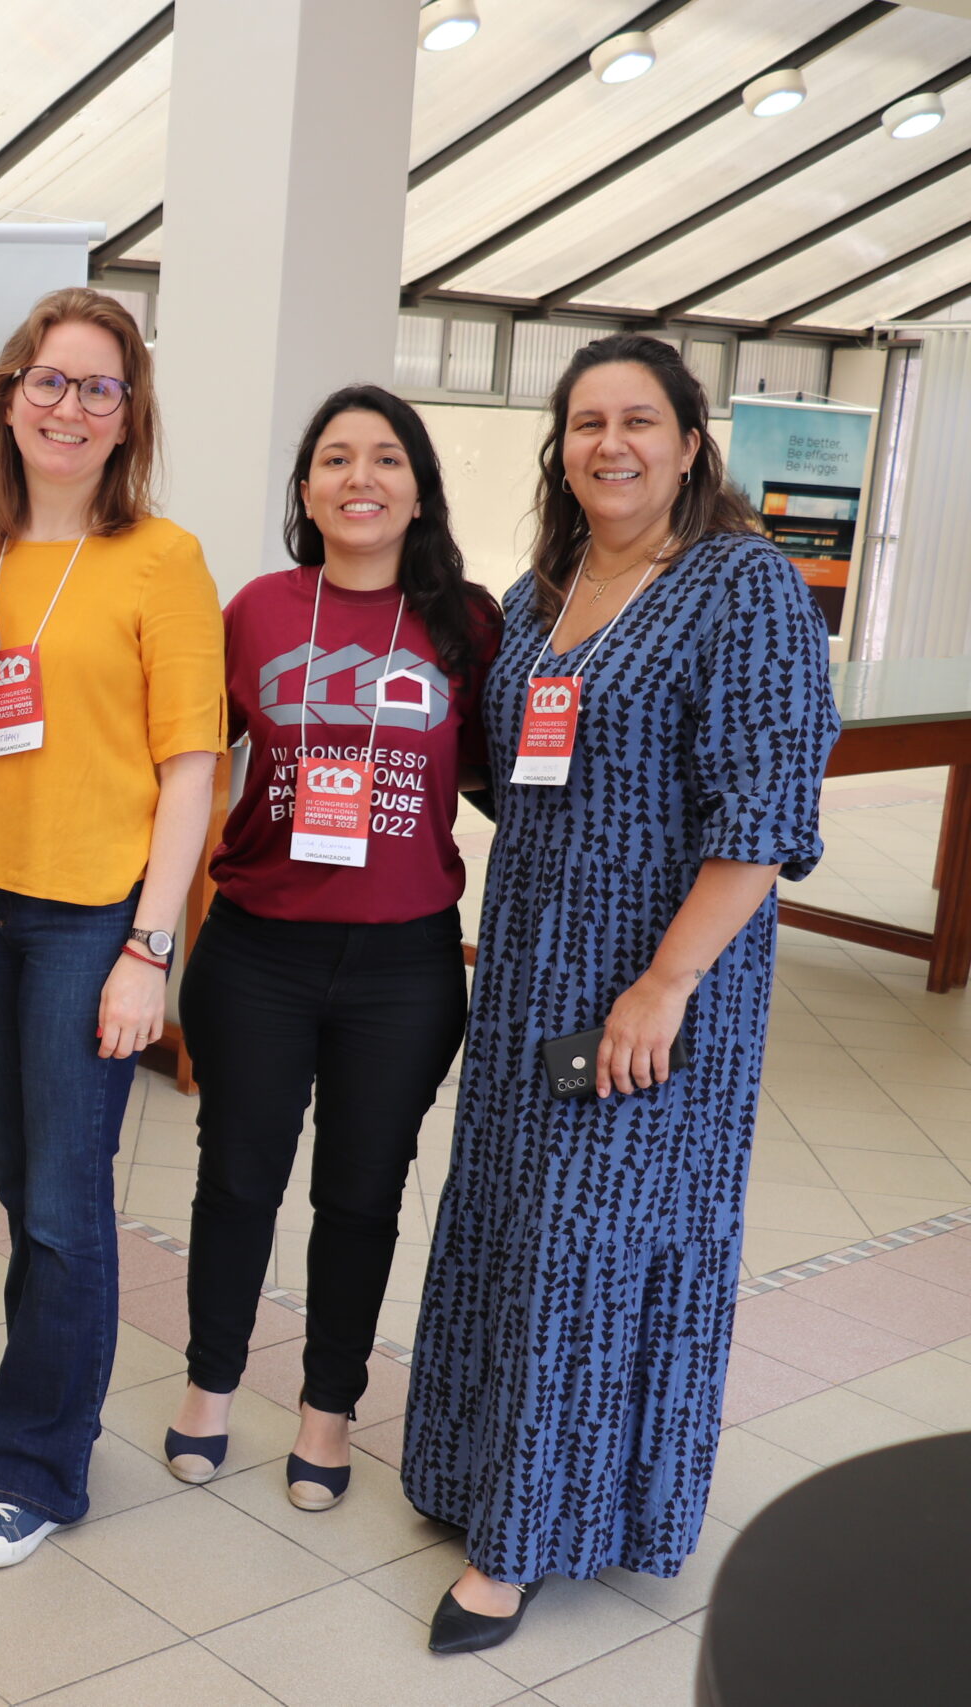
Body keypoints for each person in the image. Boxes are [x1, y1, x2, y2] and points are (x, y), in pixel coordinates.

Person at [403, 333, 839, 1653]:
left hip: (655, 989)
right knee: (508, 1222)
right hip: (527, 973)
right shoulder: (540, 593)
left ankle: (524, 1540)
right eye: (586, 422)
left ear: (691, 442)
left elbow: (765, 816)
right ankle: (474, 1469)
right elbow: (510, 776)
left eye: (638, 419)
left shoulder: (742, 587)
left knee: (592, 1247)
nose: (610, 444)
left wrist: (663, 982)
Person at [0, 288, 225, 1567]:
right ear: (7, 397)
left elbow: (192, 766)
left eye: (100, 388)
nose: (70, 406)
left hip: (89, 919)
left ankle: (40, 1469)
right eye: (48, 380)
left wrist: (150, 951)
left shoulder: (162, 558)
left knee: (63, 1197)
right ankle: (26, 1390)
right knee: (18, 1178)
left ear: (128, 418)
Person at [165, 386, 499, 1517]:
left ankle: (327, 1411)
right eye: (337, 458)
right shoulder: (257, 610)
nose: (362, 477)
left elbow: (505, 774)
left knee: (362, 1194)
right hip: (258, 950)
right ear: (305, 491)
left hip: (404, 966)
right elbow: (186, 762)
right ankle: (210, 1385)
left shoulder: (468, 622)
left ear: (420, 489)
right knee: (236, 1178)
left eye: (387, 458)